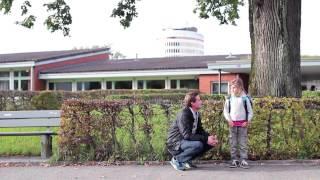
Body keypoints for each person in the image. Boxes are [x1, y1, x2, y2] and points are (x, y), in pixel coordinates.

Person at [167, 91, 218, 171]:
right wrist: (205, 139)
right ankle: (177, 160)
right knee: (198, 144)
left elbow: (200, 130)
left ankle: (186, 160)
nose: (201, 102)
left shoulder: (196, 113)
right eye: (199, 100)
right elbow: (187, 135)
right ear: (192, 103)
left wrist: (209, 137)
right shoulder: (184, 114)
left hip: (185, 141)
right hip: (176, 142)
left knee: (210, 143)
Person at [224, 77, 253, 169]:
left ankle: (243, 160)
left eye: (235, 87)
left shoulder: (245, 98)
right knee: (233, 142)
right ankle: (234, 159)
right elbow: (226, 111)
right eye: (231, 87)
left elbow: (250, 111)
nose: (233, 89)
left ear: (240, 88)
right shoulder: (229, 99)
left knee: (242, 142)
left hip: (242, 124)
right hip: (232, 124)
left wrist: (247, 121)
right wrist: (229, 120)